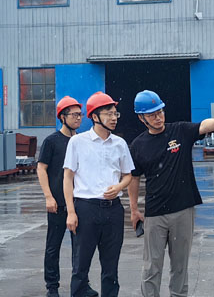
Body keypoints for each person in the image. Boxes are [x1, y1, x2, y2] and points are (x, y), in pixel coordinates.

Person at [127, 90, 214, 297]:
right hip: (155, 213)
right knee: (151, 266)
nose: (158, 117)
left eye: (160, 112)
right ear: (141, 118)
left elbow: (203, 126)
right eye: (152, 115)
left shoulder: (180, 131)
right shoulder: (138, 146)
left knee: (180, 266)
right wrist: (134, 210)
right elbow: (134, 178)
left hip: (183, 210)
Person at [63, 91, 134, 297]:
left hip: (113, 211)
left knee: (111, 267)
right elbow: (68, 177)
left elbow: (128, 175)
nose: (114, 118)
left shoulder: (120, 143)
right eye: (108, 114)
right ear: (94, 116)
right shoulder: (77, 142)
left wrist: (119, 187)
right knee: (80, 265)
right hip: (86, 209)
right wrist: (71, 212)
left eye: (115, 114)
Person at [37, 96, 98, 297]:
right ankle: (52, 287)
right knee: (53, 247)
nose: (78, 118)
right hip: (58, 204)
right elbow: (41, 169)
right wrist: (48, 197)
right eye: (74, 115)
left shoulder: (82, 141)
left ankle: (81, 285)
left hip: (79, 203)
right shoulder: (51, 141)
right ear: (62, 117)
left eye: (80, 114)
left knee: (80, 249)